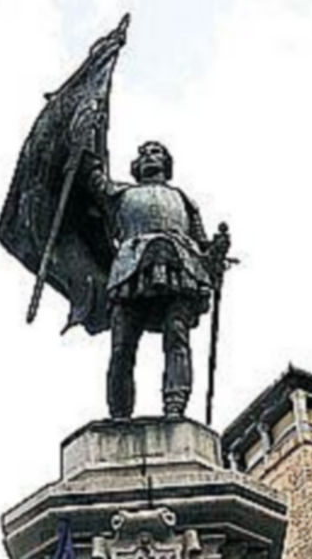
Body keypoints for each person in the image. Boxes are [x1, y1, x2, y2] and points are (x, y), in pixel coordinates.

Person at [82, 140, 221, 419]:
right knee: (122, 345)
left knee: (177, 335)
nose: (148, 156)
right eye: (142, 153)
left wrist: (218, 250)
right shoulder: (119, 192)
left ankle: (175, 405)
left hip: (180, 264)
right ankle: (120, 414)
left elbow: (203, 244)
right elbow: (90, 176)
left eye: (155, 151)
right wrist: (85, 137)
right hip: (130, 269)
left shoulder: (184, 200)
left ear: (166, 163)